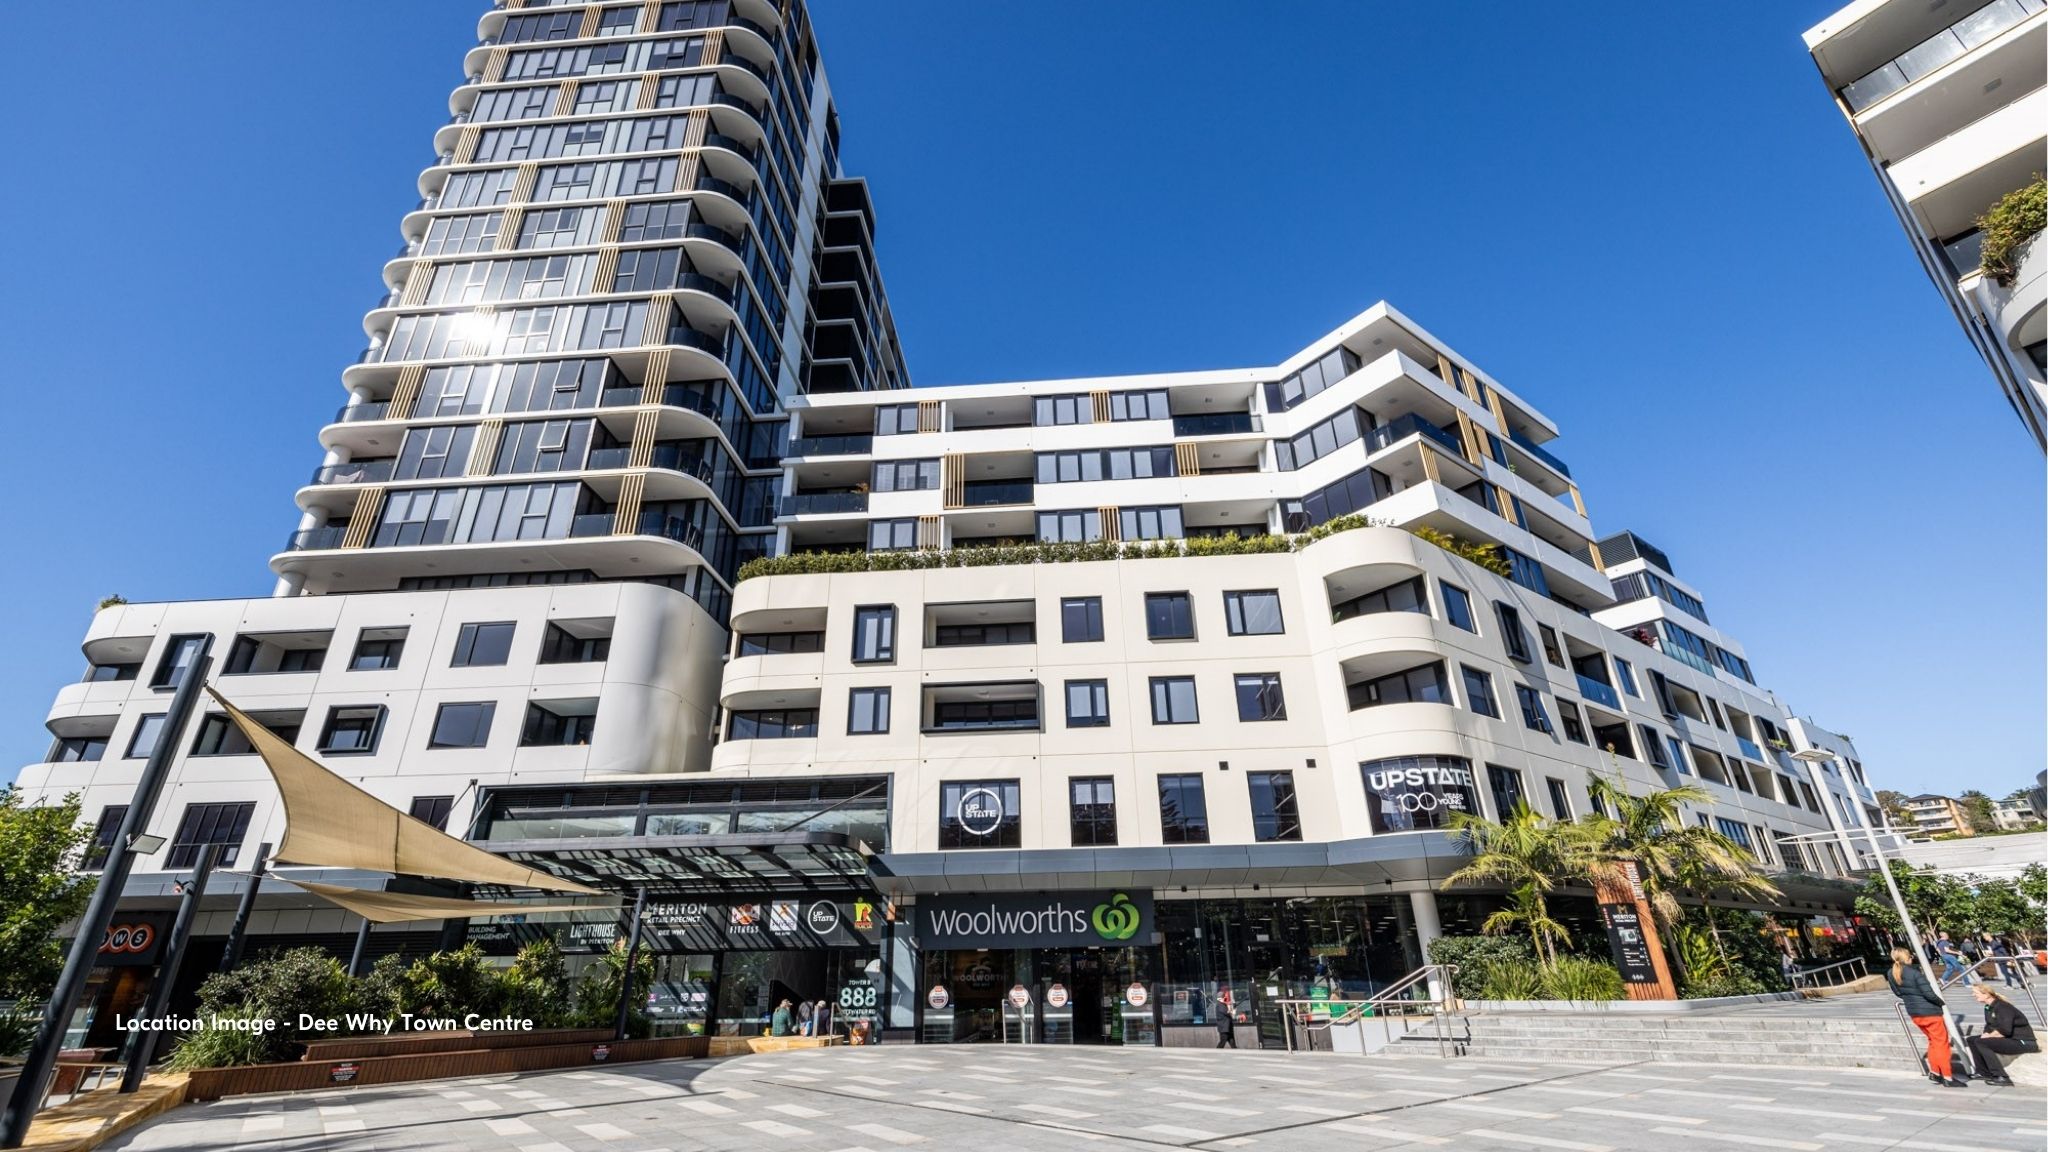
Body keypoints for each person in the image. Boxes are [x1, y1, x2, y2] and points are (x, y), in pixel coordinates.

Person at [1887, 946, 1968, 1087]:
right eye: (1910, 956)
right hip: (1929, 1012)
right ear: (1906, 958)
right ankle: (1947, 1077)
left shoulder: (1891, 973)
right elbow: (1929, 994)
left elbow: (1898, 993)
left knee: (1933, 1041)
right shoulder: (1914, 973)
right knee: (1941, 1043)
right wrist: (1940, 1002)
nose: (1912, 958)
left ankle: (1935, 1072)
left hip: (1914, 1012)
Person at [1965, 985, 2037, 1087]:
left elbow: (2006, 1030)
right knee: (1972, 1040)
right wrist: (1986, 1034)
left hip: (2023, 1042)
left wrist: (1989, 1036)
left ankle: (2002, 1077)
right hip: (2010, 1039)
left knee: (1982, 1042)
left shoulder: (2003, 1007)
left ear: (1986, 994)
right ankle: (1983, 1072)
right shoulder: (1988, 1007)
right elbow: (1990, 1026)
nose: (1973, 995)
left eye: (1976, 993)